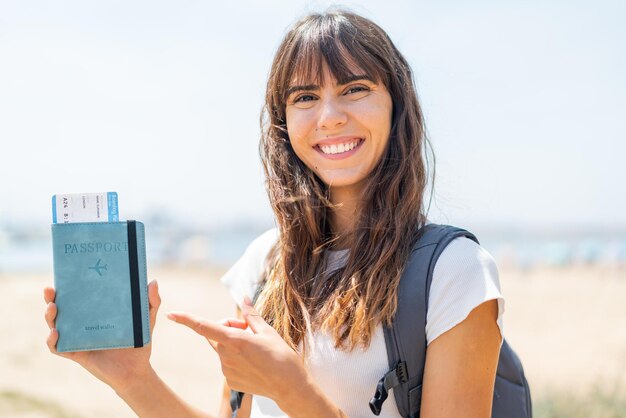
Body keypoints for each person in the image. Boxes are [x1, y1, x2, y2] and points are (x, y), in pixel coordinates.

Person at [43, 9, 504, 418]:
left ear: (396, 106)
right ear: (283, 123)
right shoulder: (265, 262)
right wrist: (133, 379)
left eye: (355, 88)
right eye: (305, 97)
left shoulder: (453, 272)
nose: (329, 116)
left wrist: (293, 391)